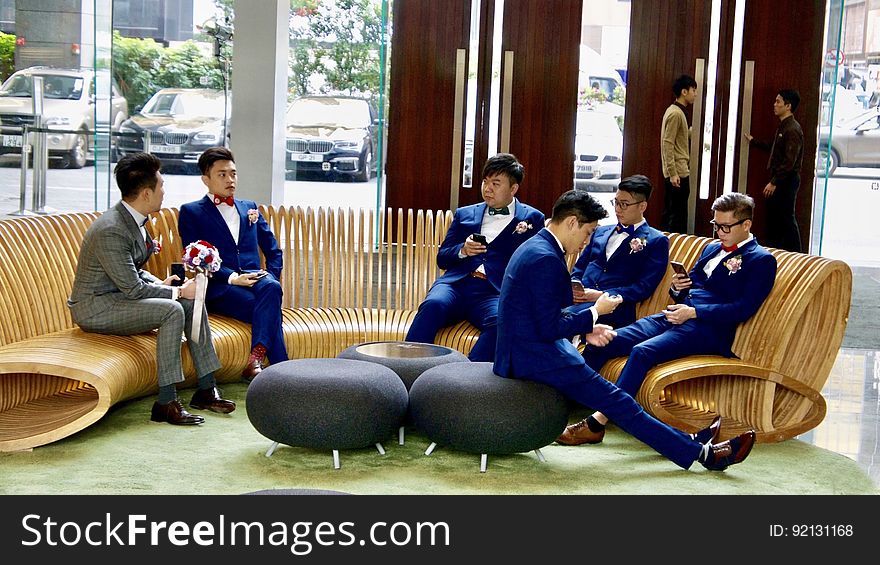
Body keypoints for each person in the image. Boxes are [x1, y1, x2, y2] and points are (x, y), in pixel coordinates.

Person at [494, 189, 756, 471]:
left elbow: (541, 315)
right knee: (620, 403)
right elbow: (548, 325)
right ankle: (705, 456)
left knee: (618, 400)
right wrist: (596, 313)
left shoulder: (537, 247)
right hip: (536, 356)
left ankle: (693, 445)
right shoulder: (546, 258)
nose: (586, 242)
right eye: (587, 232)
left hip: (529, 348)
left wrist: (587, 329)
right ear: (571, 222)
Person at [563, 192, 776, 446]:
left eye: (725, 227)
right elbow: (689, 289)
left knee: (642, 352)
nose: (719, 232)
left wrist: (694, 312)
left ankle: (597, 423)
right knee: (609, 337)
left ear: (747, 225)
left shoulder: (761, 260)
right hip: (676, 315)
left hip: (708, 330)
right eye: (716, 225)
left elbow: (743, 308)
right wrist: (678, 288)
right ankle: (566, 397)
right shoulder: (711, 249)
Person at [68, 152, 234, 425]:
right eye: (161, 186)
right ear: (146, 193)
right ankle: (166, 402)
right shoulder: (111, 229)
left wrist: (161, 284)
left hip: (120, 298)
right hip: (96, 308)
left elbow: (132, 271)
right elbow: (133, 288)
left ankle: (206, 386)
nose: (164, 191)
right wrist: (178, 292)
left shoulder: (134, 219)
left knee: (191, 304)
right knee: (172, 310)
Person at [405, 153, 545, 361]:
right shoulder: (464, 214)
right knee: (433, 305)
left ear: (513, 189)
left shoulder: (532, 219)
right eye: (485, 181)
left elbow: (537, 265)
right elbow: (442, 258)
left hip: (493, 292)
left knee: (503, 323)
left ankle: (467, 380)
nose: (487, 188)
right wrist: (462, 249)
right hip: (455, 285)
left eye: (496, 183)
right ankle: (407, 368)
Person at [178, 147, 287, 382]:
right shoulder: (191, 212)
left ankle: (257, 360)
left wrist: (271, 275)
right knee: (269, 310)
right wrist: (231, 277)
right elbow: (195, 257)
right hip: (220, 288)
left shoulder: (250, 207)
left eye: (233, 173)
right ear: (205, 179)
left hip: (257, 280)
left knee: (271, 289)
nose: (230, 180)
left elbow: (274, 250)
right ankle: (282, 369)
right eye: (222, 174)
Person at [568, 174, 668, 330]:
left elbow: (643, 287)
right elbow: (579, 267)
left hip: (613, 307)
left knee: (562, 318)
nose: (617, 209)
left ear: (642, 206)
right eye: (616, 202)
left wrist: (602, 295)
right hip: (579, 299)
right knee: (539, 305)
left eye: (624, 204)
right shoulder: (600, 231)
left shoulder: (656, 241)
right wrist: (575, 286)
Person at [745, 89, 804, 252]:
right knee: (776, 218)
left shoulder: (792, 128)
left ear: (788, 105)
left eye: (778, 102)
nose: (775, 105)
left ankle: (796, 254)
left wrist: (773, 182)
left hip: (786, 180)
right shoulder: (784, 126)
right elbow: (774, 147)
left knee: (786, 217)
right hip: (781, 179)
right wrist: (754, 142)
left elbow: (789, 162)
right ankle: (775, 250)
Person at [660, 74, 697, 234]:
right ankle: (672, 248)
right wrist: (673, 173)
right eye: (693, 90)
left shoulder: (677, 111)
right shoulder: (675, 113)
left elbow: (679, 137)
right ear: (684, 91)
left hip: (678, 171)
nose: (695, 94)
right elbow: (668, 143)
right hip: (678, 173)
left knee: (675, 212)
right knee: (676, 215)